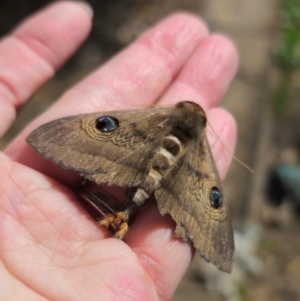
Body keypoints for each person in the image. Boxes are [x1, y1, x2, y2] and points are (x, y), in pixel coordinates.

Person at [0, 1, 238, 300]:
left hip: (131, 174)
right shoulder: (201, 150)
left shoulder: (150, 118)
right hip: (155, 187)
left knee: (104, 127)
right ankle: (125, 217)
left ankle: (122, 215)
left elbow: (100, 126)